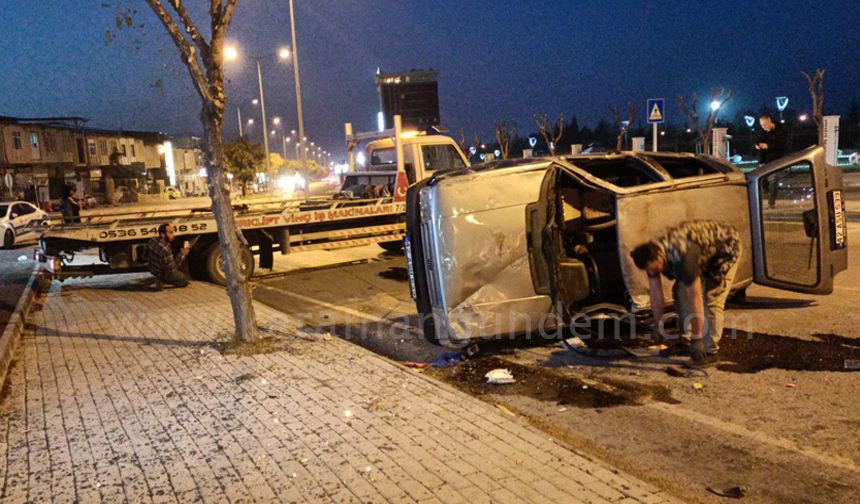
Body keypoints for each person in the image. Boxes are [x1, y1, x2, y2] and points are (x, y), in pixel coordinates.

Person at [630, 220, 741, 368]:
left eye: (655, 270)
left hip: (726, 249)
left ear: (659, 257)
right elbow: (656, 293)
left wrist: (697, 340)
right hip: (702, 251)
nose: (654, 274)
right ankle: (685, 342)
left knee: (711, 298)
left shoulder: (683, 258)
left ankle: (710, 352)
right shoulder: (652, 253)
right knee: (679, 291)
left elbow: (695, 298)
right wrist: (658, 325)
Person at [146, 223, 190, 289]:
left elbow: (144, 255)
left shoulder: (152, 240)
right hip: (163, 272)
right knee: (184, 280)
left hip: (153, 270)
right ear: (163, 234)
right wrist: (182, 255)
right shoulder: (165, 249)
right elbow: (172, 269)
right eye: (170, 233)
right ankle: (164, 282)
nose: (173, 235)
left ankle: (160, 279)